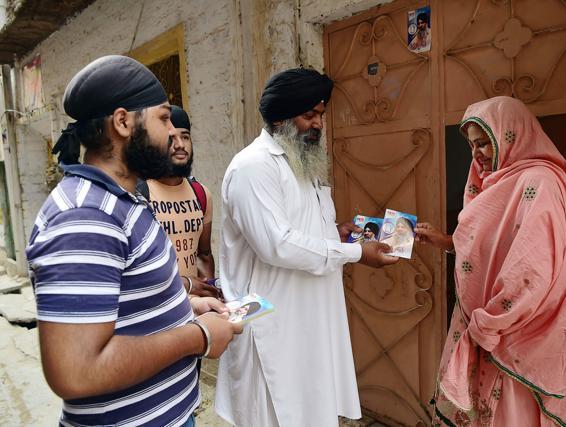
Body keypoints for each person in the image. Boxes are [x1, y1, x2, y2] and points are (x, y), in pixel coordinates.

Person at [25, 55, 242, 426]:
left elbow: (126, 305)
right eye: (162, 118)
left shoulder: (126, 200)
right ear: (123, 122)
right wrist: (198, 338)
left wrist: (185, 307)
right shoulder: (85, 216)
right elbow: (76, 371)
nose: (172, 132)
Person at [215, 67, 399, 427]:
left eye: (321, 116)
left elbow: (301, 228)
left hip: (307, 320)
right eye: (309, 115)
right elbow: (278, 245)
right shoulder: (253, 167)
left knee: (311, 411)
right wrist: (358, 253)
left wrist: (336, 232)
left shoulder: (301, 164)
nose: (318, 124)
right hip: (268, 323)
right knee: (275, 414)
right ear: (282, 117)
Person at [415, 96, 566, 426]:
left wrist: (490, 323)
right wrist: (446, 241)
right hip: (489, 328)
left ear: (511, 135)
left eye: (484, 143)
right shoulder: (499, 183)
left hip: (517, 334)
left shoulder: (541, 183)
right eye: (472, 145)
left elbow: (532, 270)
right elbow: (494, 248)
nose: (477, 154)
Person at [144, 105, 220, 298]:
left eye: (185, 136)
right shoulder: (139, 194)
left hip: (194, 308)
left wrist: (210, 291)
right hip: (157, 306)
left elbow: (203, 255)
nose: (180, 144)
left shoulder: (201, 194)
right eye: (171, 138)